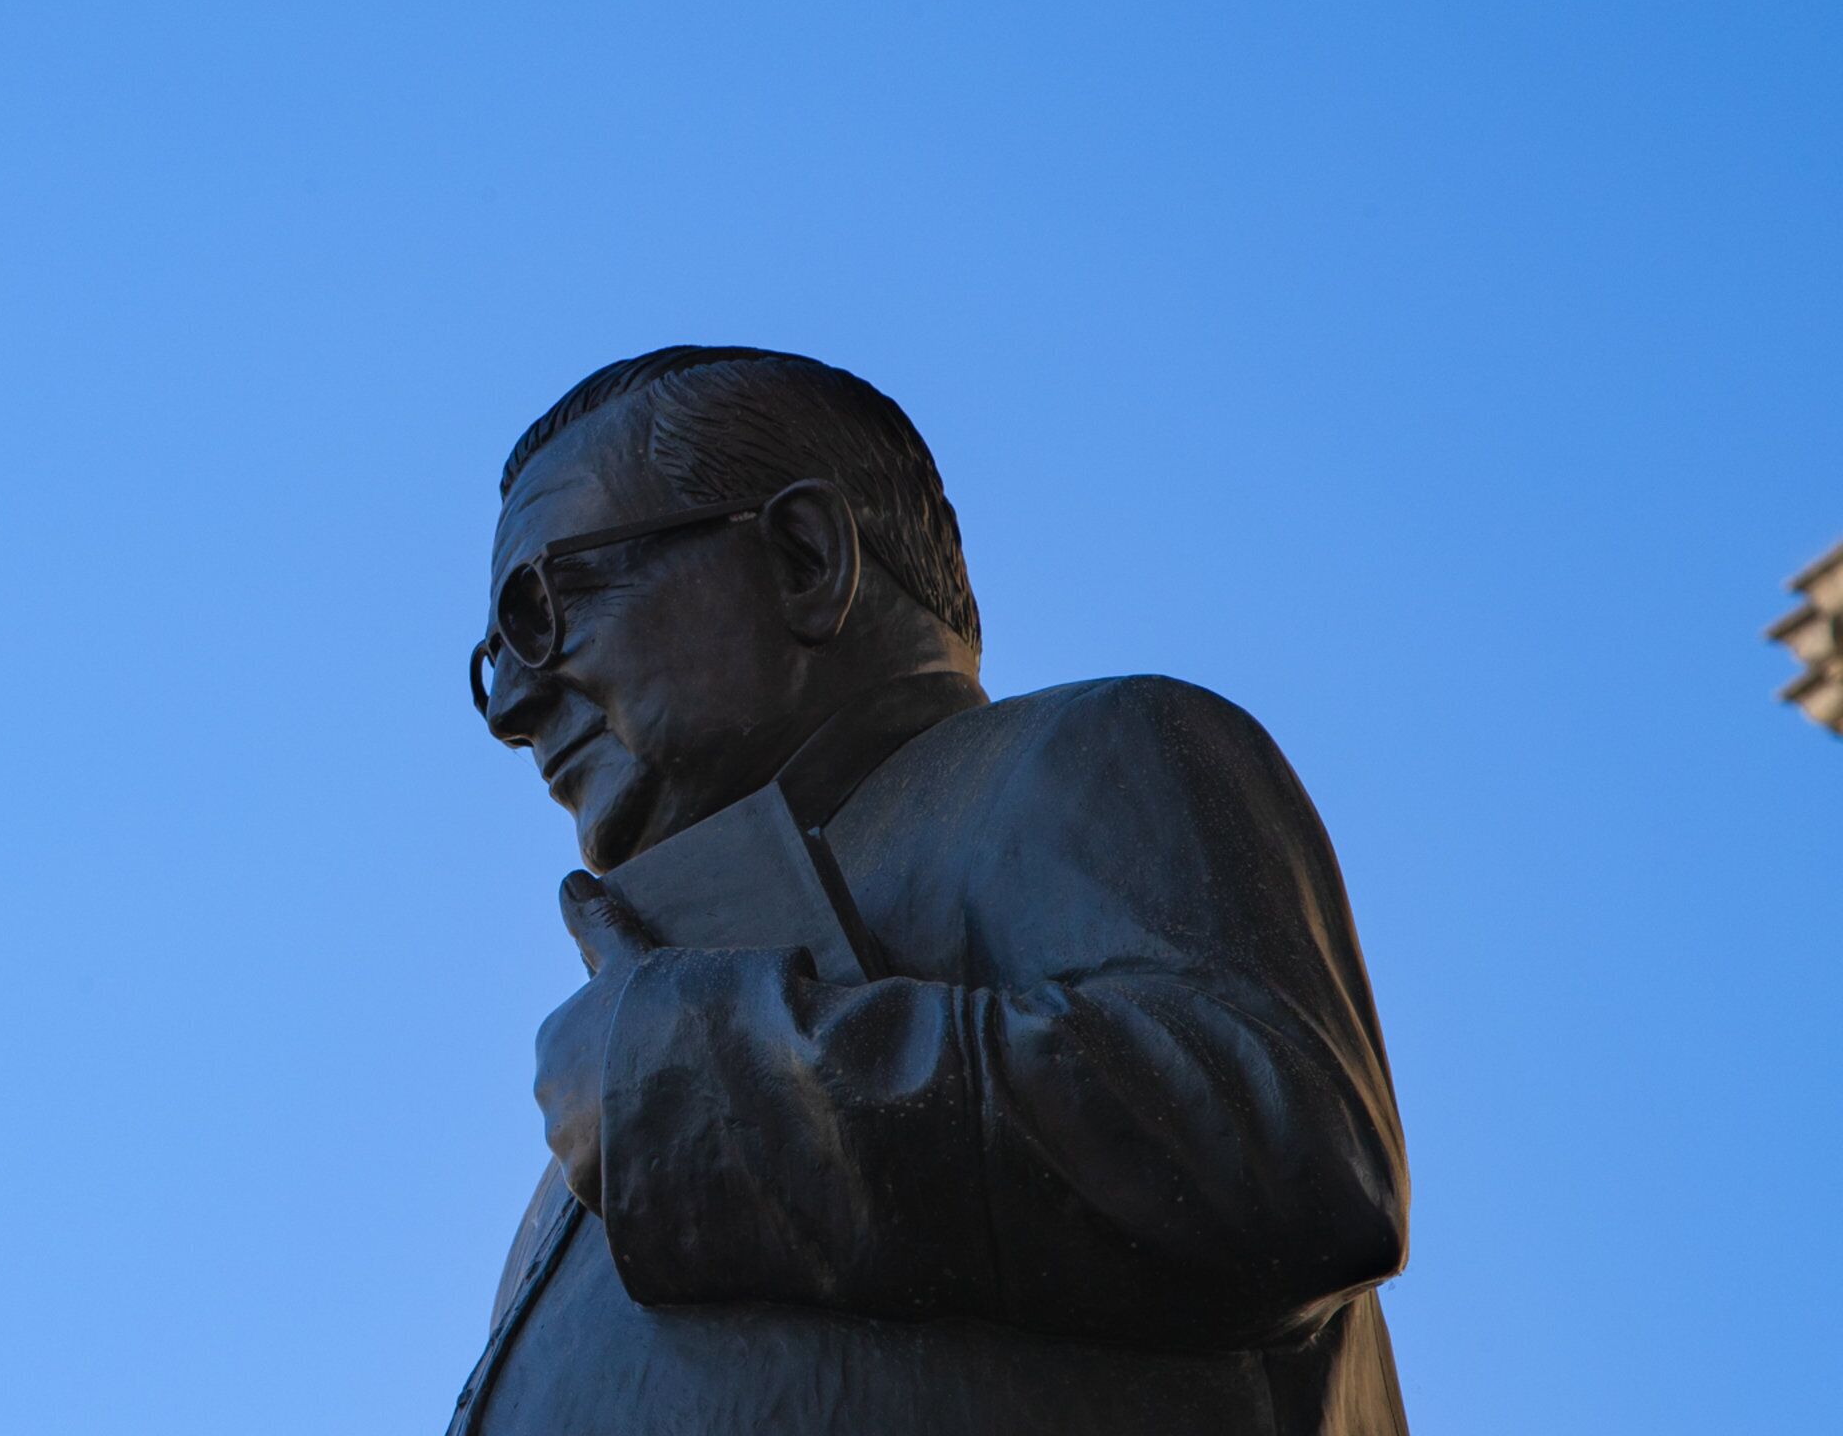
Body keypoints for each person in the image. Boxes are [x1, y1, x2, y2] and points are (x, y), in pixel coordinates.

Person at [452, 347, 1408, 1436]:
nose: (514, 705)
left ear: (806, 556)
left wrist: (706, 1079)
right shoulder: (624, 1061)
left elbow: (1288, 1161)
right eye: (493, 657)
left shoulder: (1084, 757)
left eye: (541, 606)